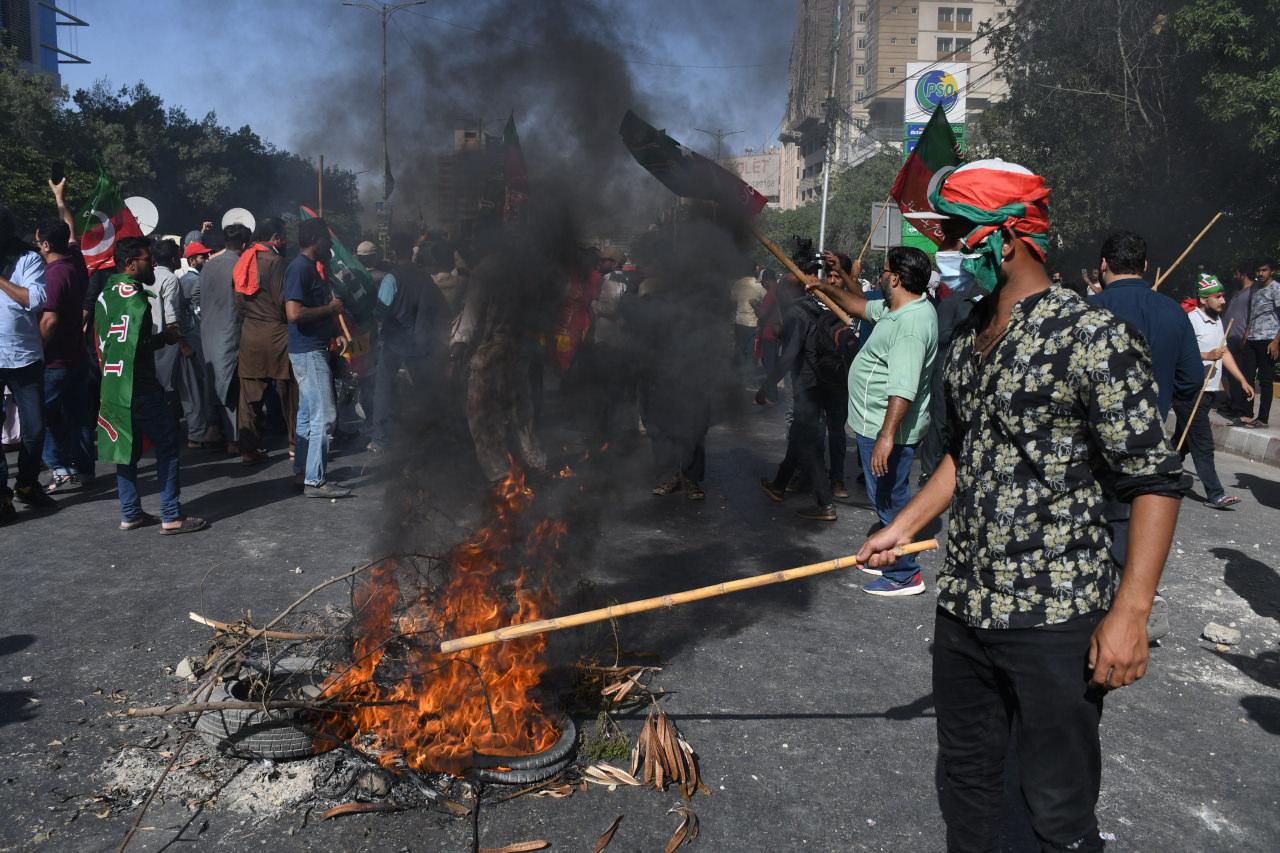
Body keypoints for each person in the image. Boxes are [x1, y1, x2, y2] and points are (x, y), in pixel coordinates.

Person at [858, 159, 1182, 853]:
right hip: (965, 609)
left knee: (1056, 808)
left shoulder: (1091, 336)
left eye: (957, 232)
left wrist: (1130, 612)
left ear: (1007, 236)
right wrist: (903, 525)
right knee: (968, 785)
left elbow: (1153, 478)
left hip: (1054, 618)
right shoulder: (970, 336)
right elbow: (967, 454)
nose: (946, 246)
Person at [811, 245, 937, 595]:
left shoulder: (911, 325)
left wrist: (886, 437)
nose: (880, 276)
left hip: (884, 430)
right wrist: (823, 286)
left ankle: (905, 573)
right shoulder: (900, 307)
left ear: (895, 278)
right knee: (888, 495)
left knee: (889, 499)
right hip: (875, 426)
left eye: (884, 271)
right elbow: (858, 306)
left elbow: (903, 388)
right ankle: (894, 561)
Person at [96, 237, 205, 533]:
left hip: (112, 384)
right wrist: (164, 338)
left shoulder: (105, 293)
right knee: (168, 444)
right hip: (139, 385)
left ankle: (130, 512)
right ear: (131, 263)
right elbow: (136, 345)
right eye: (147, 259)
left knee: (126, 450)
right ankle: (171, 514)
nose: (152, 263)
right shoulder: (135, 297)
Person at [756, 260, 849, 520]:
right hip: (821, 384)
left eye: (785, 286)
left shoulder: (797, 314)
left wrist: (766, 386)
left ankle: (824, 503)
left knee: (808, 442)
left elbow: (789, 356)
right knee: (799, 435)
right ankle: (778, 485)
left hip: (808, 387)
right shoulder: (813, 308)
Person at [1089, 230, 1201, 419]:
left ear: (1103, 264)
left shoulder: (1084, 310)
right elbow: (1192, 379)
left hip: (1094, 433)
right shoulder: (1174, 311)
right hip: (1151, 431)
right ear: (1146, 265)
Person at [283, 217, 349, 498]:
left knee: (308, 413)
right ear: (315, 240)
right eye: (327, 239)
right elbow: (294, 313)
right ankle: (315, 480)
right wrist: (331, 309)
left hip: (313, 348)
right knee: (325, 415)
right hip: (308, 351)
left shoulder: (311, 268)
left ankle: (302, 471)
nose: (331, 244)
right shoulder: (299, 269)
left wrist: (334, 330)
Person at [362, 237, 446, 452]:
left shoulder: (392, 278)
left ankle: (380, 439)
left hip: (394, 342)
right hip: (420, 342)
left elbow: (381, 310)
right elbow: (440, 306)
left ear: (393, 252)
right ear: (411, 252)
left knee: (383, 387)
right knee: (424, 389)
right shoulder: (424, 277)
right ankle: (433, 433)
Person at [37, 179, 94, 492]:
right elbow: (70, 228)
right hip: (77, 355)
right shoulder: (74, 260)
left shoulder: (53, 275)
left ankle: (58, 467)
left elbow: (50, 320)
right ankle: (85, 468)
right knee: (80, 415)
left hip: (55, 360)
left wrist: (37, 349)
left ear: (46, 245)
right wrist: (60, 196)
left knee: (44, 414)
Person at [1177, 275, 1251, 509]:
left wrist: (1241, 380)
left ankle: (1158, 472)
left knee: (1182, 439)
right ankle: (1215, 494)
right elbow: (1178, 352)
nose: (1222, 300)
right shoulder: (1190, 319)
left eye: (1222, 295)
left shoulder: (1218, 320)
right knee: (1202, 442)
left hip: (1208, 392)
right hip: (1190, 390)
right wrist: (1207, 356)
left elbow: (1225, 352)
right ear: (1203, 299)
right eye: (1217, 296)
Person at [0, 204, 55, 519]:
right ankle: (2, 496)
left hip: (24, 356)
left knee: (34, 428)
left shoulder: (28, 258)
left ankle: (26, 483)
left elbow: (34, 299)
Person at [234, 218, 297, 466]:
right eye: (282, 238)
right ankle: (294, 444)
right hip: (278, 335)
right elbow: (284, 300)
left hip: (250, 333)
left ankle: (248, 449)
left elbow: (238, 302)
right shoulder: (276, 262)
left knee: (249, 397)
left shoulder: (242, 260)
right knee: (290, 393)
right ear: (274, 238)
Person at [199, 224, 249, 454]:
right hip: (230, 330)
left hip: (208, 329)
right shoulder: (240, 264)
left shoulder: (209, 265)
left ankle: (213, 428)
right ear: (245, 244)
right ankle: (234, 439)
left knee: (213, 380)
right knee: (230, 383)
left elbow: (195, 295)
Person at [175, 240, 220, 448]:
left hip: (189, 336)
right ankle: (205, 427)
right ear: (193, 259)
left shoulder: (185, 279)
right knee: (201, 382)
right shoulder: (194, 281)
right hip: (196, 336)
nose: (206, 259)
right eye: (202, 256)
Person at [1236, 258, 1280, 426]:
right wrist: (1246, 334)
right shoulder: (1254, 288)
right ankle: (1247, 413)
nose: (1260, 274)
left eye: (1264, 270)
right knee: (1247, 376)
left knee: (1265, 379)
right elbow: (1252, 312)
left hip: (1268, 339)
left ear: (1272, 271)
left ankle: (1263, 418)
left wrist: (1276, 342)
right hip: (1252, 338)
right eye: (1258, 271)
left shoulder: (1276, 289)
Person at [1219, 260, 1255, 419]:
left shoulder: (1253, 292)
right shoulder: (1237, 292)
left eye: (1236, 273)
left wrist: (1246, 334)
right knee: (1227, 374)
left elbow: (1253, 315)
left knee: (1238, 373)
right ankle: (1231, 402)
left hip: (1239, 337)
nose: (1234, 276)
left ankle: (1238, 407)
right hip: (1228, 337)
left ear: (1243, 273)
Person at [731, 261, 766, 384]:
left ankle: (736, 376)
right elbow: (765, 301)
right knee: (751, 351)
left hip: (739, 321)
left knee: (739, 349)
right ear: (754, 271)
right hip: (753, 324)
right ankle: (748, 377)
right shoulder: (758, 286)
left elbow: (733, 300)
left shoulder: (737, 284)